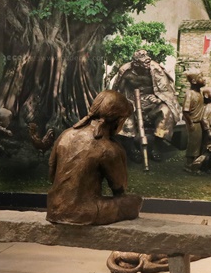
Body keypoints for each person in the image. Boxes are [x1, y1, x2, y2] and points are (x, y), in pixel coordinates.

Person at [47, 90, 143, 225]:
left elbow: (52, 175)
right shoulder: (109, 148)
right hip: (84, 213)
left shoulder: (65, 135)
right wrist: (120, 154)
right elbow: (119, 187)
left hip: (54, 208)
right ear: (119, 120)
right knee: (135, 201)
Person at [111, 49, 182, 161]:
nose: (148, 61)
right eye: (143, 60)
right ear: (135, 63)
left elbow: (166, 90)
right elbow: (118, 91)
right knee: (125, 116)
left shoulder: (155, 69)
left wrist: (158, 99)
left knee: (166, 111)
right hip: (132, 102)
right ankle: (131, 149)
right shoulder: (126, 71)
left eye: (147, 58)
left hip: (152, 104)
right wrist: (126, 102)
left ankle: (156, 147)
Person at [182, 70, 211, 174]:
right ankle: (189, 164)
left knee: (199, 143)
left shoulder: (200, 93)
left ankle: (197, 163)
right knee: (193, 144)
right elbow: (185, 111)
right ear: (194, 81)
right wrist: (190, 124)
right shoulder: (190, 94)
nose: (204, 79)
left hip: (200, 122)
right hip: (194, 122)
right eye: (200, 77)